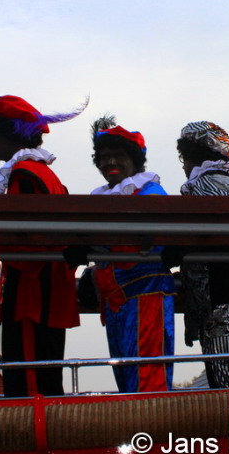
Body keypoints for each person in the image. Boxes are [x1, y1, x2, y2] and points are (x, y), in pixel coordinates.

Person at [0, 94, 85, 397]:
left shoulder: (24, 174)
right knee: (46, 377)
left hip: (32, 294)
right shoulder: (46, 174)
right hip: (49, 291)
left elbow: (25, 245)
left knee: (28, 385)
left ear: (12, 135)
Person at [69, 115, 175, 392]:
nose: (110, 162)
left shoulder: (150, 192)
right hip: (116, 302)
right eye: (104, 157)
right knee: (127, 381)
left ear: (135, 161)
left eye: (118, 156)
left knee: (147, 382)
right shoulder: (103, 196)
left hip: (145, 296)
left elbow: (157, 239)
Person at [167, 121, 229, 388]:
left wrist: (175, 252)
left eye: (184, 158)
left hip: (224, 297)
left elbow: (200, 236)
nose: (183, 166)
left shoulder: (203, 184)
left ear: (191, 157)